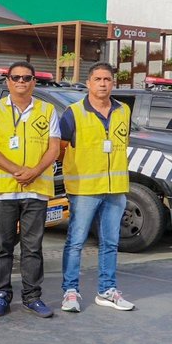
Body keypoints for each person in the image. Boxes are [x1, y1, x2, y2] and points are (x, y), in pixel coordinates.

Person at [0, 62, 59, 318]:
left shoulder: (47, 111)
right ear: (8, 82)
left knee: (33, 247)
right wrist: (17, 170)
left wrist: (34, 172)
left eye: (27, 77)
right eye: (16, 78)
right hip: (3, 190)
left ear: (34, 81)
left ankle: (32, 296)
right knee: (3, 246)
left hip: (36, 189)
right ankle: (1, 295)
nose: (21, 82)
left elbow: (54, 148)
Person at [59, 62, 135, 312]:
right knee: (76, 242)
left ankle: (107, 290)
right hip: (84, 190)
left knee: (111, 242)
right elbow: (60, 148)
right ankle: (70, 292)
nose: (103, 84)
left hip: (116, 189)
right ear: (89, 83)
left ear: (113, 83)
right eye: (98, 79)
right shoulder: (74, 112)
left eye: (107, 79)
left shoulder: (123, 110)